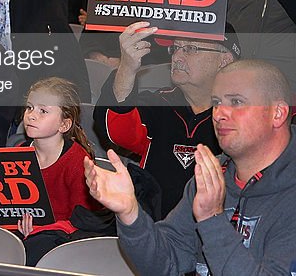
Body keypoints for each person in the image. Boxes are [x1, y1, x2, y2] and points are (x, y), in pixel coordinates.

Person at [85, 60, 296, 274]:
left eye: (236, 102)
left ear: (278, 113)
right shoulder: (213, 176)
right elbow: (165, 262)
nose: (219, 113)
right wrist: (130, 213)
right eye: (216, 103)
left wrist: (213, 219)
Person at [93, 22, 240, 217]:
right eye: (176, 48)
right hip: (154, 235)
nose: (177, 57)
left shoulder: (244, 117)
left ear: (225, 60)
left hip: (218, 236)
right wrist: (126, 68)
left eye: (190, 48)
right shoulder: (158, 104)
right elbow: (115, 131)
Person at [16, 78, 102, 265]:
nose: (31, 115)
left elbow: (84, 223)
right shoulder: (18, 155)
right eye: (29, 107)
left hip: (61, 245)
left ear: (64, 125)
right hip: (20, 236)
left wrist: (40, 230)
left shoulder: (78, 162)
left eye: (43, 111)